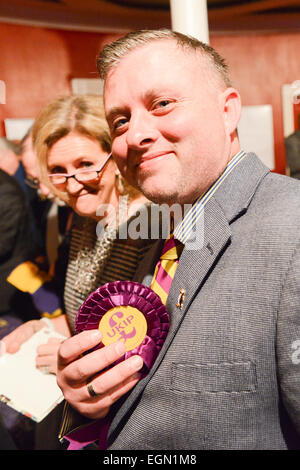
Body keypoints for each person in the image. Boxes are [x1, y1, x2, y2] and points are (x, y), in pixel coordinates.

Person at [56, 29, 300, 450]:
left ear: (228, 111)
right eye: (120, 120)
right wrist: (86, 402)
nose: (135, 135)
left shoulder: (291, 228)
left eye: (162, 104)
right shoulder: (160, 234)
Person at [1, 94, 153, 448]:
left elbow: (145, 345)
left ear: (114, 156)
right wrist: (42, 328)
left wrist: (72, 355)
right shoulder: (83, 218)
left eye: (86, 164)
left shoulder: (144, 224)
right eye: (57, 170)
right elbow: (85, 312)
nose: (72, 183)